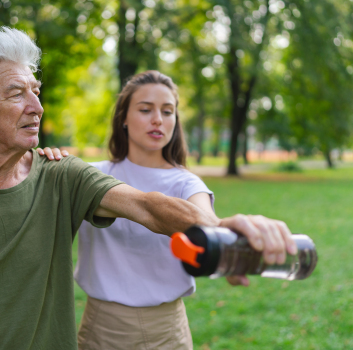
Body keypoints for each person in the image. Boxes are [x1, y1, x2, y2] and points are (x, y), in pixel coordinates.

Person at [0, 28, 296, 350]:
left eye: (37, 91)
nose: (37, 107)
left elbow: (147, 206)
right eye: (16, 94)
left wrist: (217, 226)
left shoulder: (62, 177)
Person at [40, 71, 241, 348]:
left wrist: (226, 251)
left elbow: (206, 221)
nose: (158, 119)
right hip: (102, 329)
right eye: (145, 109)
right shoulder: (90, 175)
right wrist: (46, 163)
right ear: (123, 117)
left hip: (168, 332)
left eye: (167, 111)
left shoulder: (187, 183)